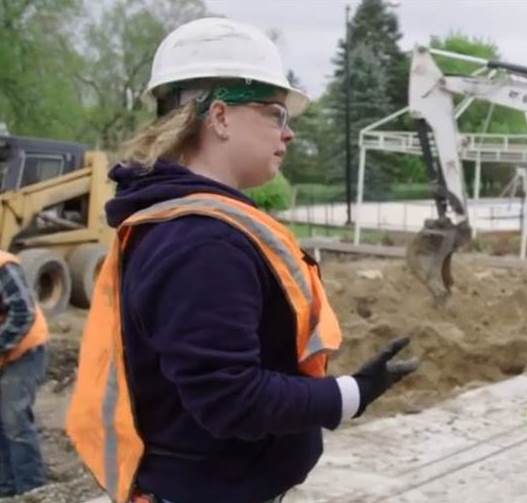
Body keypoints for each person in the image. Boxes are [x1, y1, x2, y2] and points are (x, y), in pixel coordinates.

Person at [65, 17, 417, 503]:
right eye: (275, 113)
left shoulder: (187, 224)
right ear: (221, 117)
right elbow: (230, 399)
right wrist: (350, 395)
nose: (288, 133)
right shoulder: (202, 241)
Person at [0, 251, 47, 496]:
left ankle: (32, 491)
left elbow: (23, 313)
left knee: (15, 420)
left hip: (23, 350)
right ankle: (7, 490)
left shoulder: (3, 267)